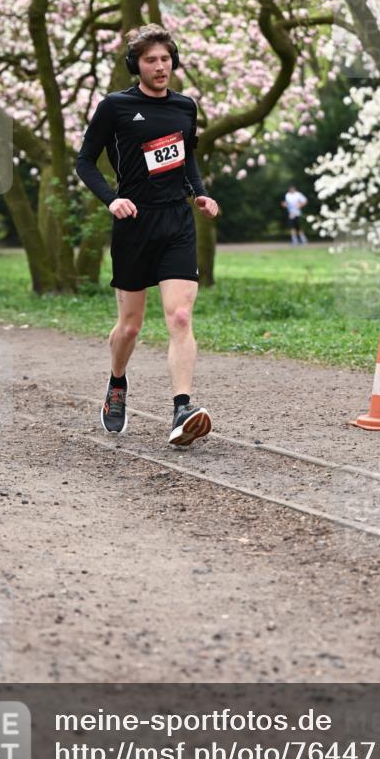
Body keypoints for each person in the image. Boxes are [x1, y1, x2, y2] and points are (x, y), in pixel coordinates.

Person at [76, 24, 219, 447]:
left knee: (179, 316)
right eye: (150, 60)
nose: (160, 67)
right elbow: (85, 162)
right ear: (135, 65)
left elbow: (186, 156)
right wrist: (110, 200)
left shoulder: (185, 107)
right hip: (134, 224)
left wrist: (201, 193)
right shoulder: (115, 107)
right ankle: (117, 383)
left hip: (176, 222)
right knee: (131, 327)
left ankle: (182, 408)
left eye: (165, 59)